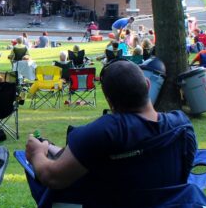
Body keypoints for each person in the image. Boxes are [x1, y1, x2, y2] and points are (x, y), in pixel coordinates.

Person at [24, 60, 194, 193]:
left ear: (109, 100)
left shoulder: (104, 132)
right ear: (148, 86)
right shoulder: (181, 124)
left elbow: (53, 178)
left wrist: (37, 152)